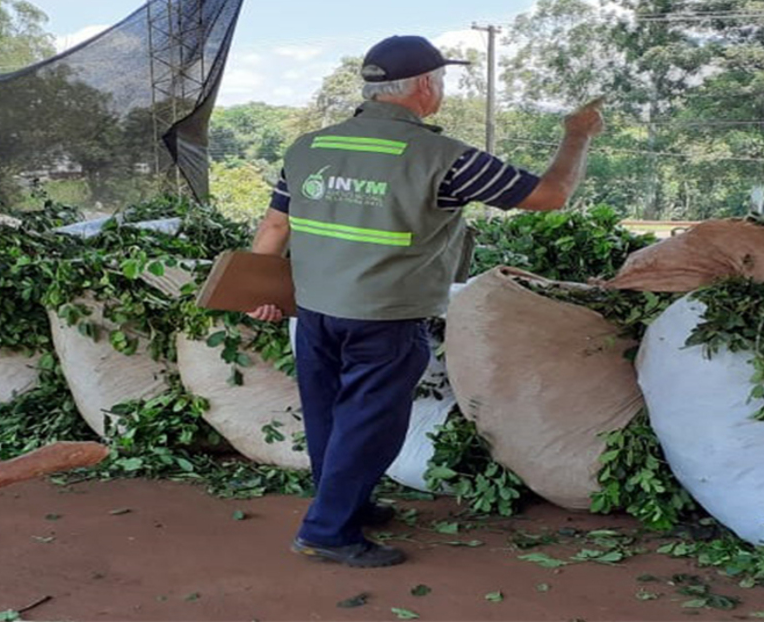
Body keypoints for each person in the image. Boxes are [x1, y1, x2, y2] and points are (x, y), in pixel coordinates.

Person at [248, 34, 604, 568]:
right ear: (424, 86)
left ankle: (345, 505)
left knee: (329, 416)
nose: (440, 88)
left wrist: (257, 292)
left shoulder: (308, 147)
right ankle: (328, 531)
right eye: (440, 80)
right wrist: (577, 136)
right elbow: (550, 196)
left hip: (313, 312)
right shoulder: (444, 158)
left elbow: (276, 227)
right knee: (370, 423)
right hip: (383, 316)